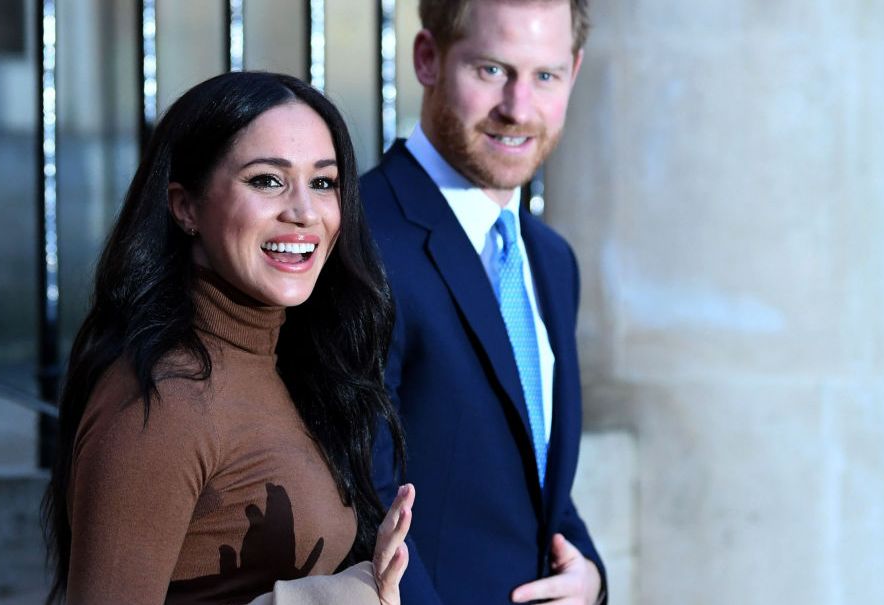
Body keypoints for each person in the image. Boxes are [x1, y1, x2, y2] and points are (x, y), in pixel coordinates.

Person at [42, 71, 415, 604]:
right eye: (267, 180)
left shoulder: (290, 363)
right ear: (185, 206)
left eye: (324, 182)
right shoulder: (162, 401)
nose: (304, 212)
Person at [361, 0, 606, 603]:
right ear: (427, 59)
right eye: (491, 70)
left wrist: (591, 577)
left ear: (573, 73)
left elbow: (529, 465)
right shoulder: (361, 237)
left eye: (544, 76)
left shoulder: (551, 260)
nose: (518, 108)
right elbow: (361, 494)